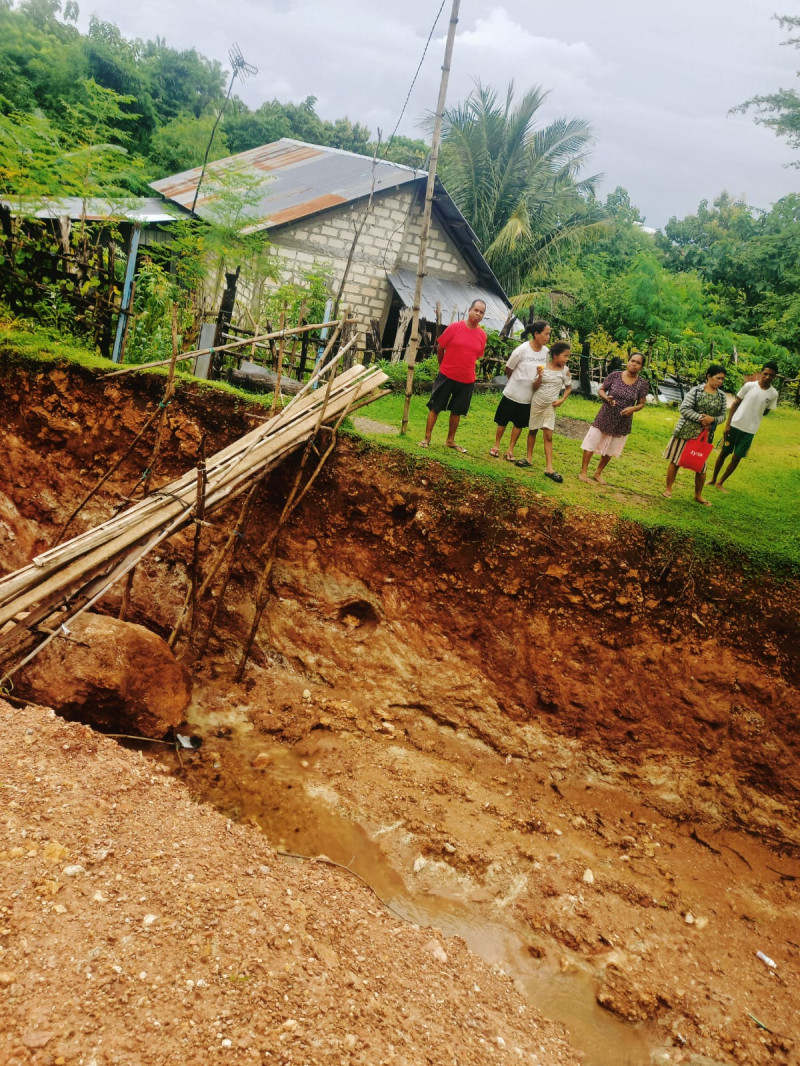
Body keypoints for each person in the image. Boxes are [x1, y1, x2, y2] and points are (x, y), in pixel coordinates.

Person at [418, 299, 487, 453]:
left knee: (457, 411)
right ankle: (426, 438)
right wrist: (442, 367)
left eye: (481, 312)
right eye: (476, 310)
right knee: (435, 407)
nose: (478, 314)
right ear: (469, 310)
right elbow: (440, 347)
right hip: (447, 375)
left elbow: (476, 356)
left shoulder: (482, 336)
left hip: (467, 380)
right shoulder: (455, 327)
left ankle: (450, 440)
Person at [579, 351, 650, 484]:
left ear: (641, 366)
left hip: (623, 420)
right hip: (605, 415)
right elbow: (601, 390)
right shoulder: (615, 375)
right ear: (628, 361)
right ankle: (583, 471)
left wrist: (633, 409)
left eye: (638, 363)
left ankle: (598, 472)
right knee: (592, 441)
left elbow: (641, 403)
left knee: (611, 447)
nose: (634, 364)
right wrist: (606, 398)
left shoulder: (642, 384)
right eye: (632, 361)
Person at [662, 364, 727, 506]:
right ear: (709, 376)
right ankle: (668, 489)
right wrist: (701, 418)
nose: (720, 381)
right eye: (718, 378)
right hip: (685, 431)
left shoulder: (722, 396)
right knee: (676, 460)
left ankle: (698, 495)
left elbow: (723, 415)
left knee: (701, 466)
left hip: (705, 435)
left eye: (722, 379)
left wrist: (712, 419)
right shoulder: (696, 391)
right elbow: (684, 408)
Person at [709, 361, 779, 492]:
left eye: (771, 375)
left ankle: (720, 482)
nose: (768, 377)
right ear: (761, 373)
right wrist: (728, 425)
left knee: (737, 457)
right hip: (734, 426)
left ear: (775, 377)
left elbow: (766, 411)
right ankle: (713, 479)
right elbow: (735, 403)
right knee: (724, 453)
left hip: (749, 431)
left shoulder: (773, 394)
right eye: (765, 373)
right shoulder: (749, 386)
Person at [489, 320, 551, 461]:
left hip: (528, 396)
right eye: (546, 334)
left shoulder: (546, 352)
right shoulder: (522, 349)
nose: (548, 337)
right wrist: (514, 381)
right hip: (512, 393)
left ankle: (510, 449)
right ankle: (496, 445)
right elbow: (509, 368)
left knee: (519, 424)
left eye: (549, 334)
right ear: (536, 334)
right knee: (502, 421)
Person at [515, 341, 572, 481]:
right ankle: (529, 458)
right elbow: (534, 387)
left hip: (550, 406)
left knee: (548, 435)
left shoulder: (565, 371)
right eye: (565, 356)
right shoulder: (543, 368)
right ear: (555, 355)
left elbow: (569, 387)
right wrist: (540, 376)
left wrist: (562, 400)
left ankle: (549, 467)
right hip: (537, 403)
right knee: (532, 430)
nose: (567, 359)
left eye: (568, 356)